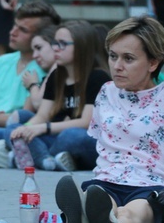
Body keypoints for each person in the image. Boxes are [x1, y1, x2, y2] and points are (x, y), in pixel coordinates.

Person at [54, 16, 164, 223]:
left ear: (153, 62)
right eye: (113, 56)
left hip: (153, 187)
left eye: (128, 58)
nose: (117, 65)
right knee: (101, 204)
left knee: (130, 215)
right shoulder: (106, 92)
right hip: (106, 182)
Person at [6, 20, 111, 171]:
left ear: (81, 46)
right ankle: (48, 160)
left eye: (62, 44)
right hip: (55, 137)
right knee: (13, 129)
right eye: (54, 42)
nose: (55, 48)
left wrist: (43, 128)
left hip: (88, 140)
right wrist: (27, 129)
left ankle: (32, 157)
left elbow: (86, 122)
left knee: (72, 135)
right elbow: (42, 116)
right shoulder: (57, 76)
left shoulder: (98, 77)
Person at [0, 0, 58, 147]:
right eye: (14, 25)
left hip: (22, 133)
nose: (13, 32)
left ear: (42, 36)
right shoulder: (0, 63)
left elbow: (29, 119)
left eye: (23, 30)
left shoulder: (49, 68)